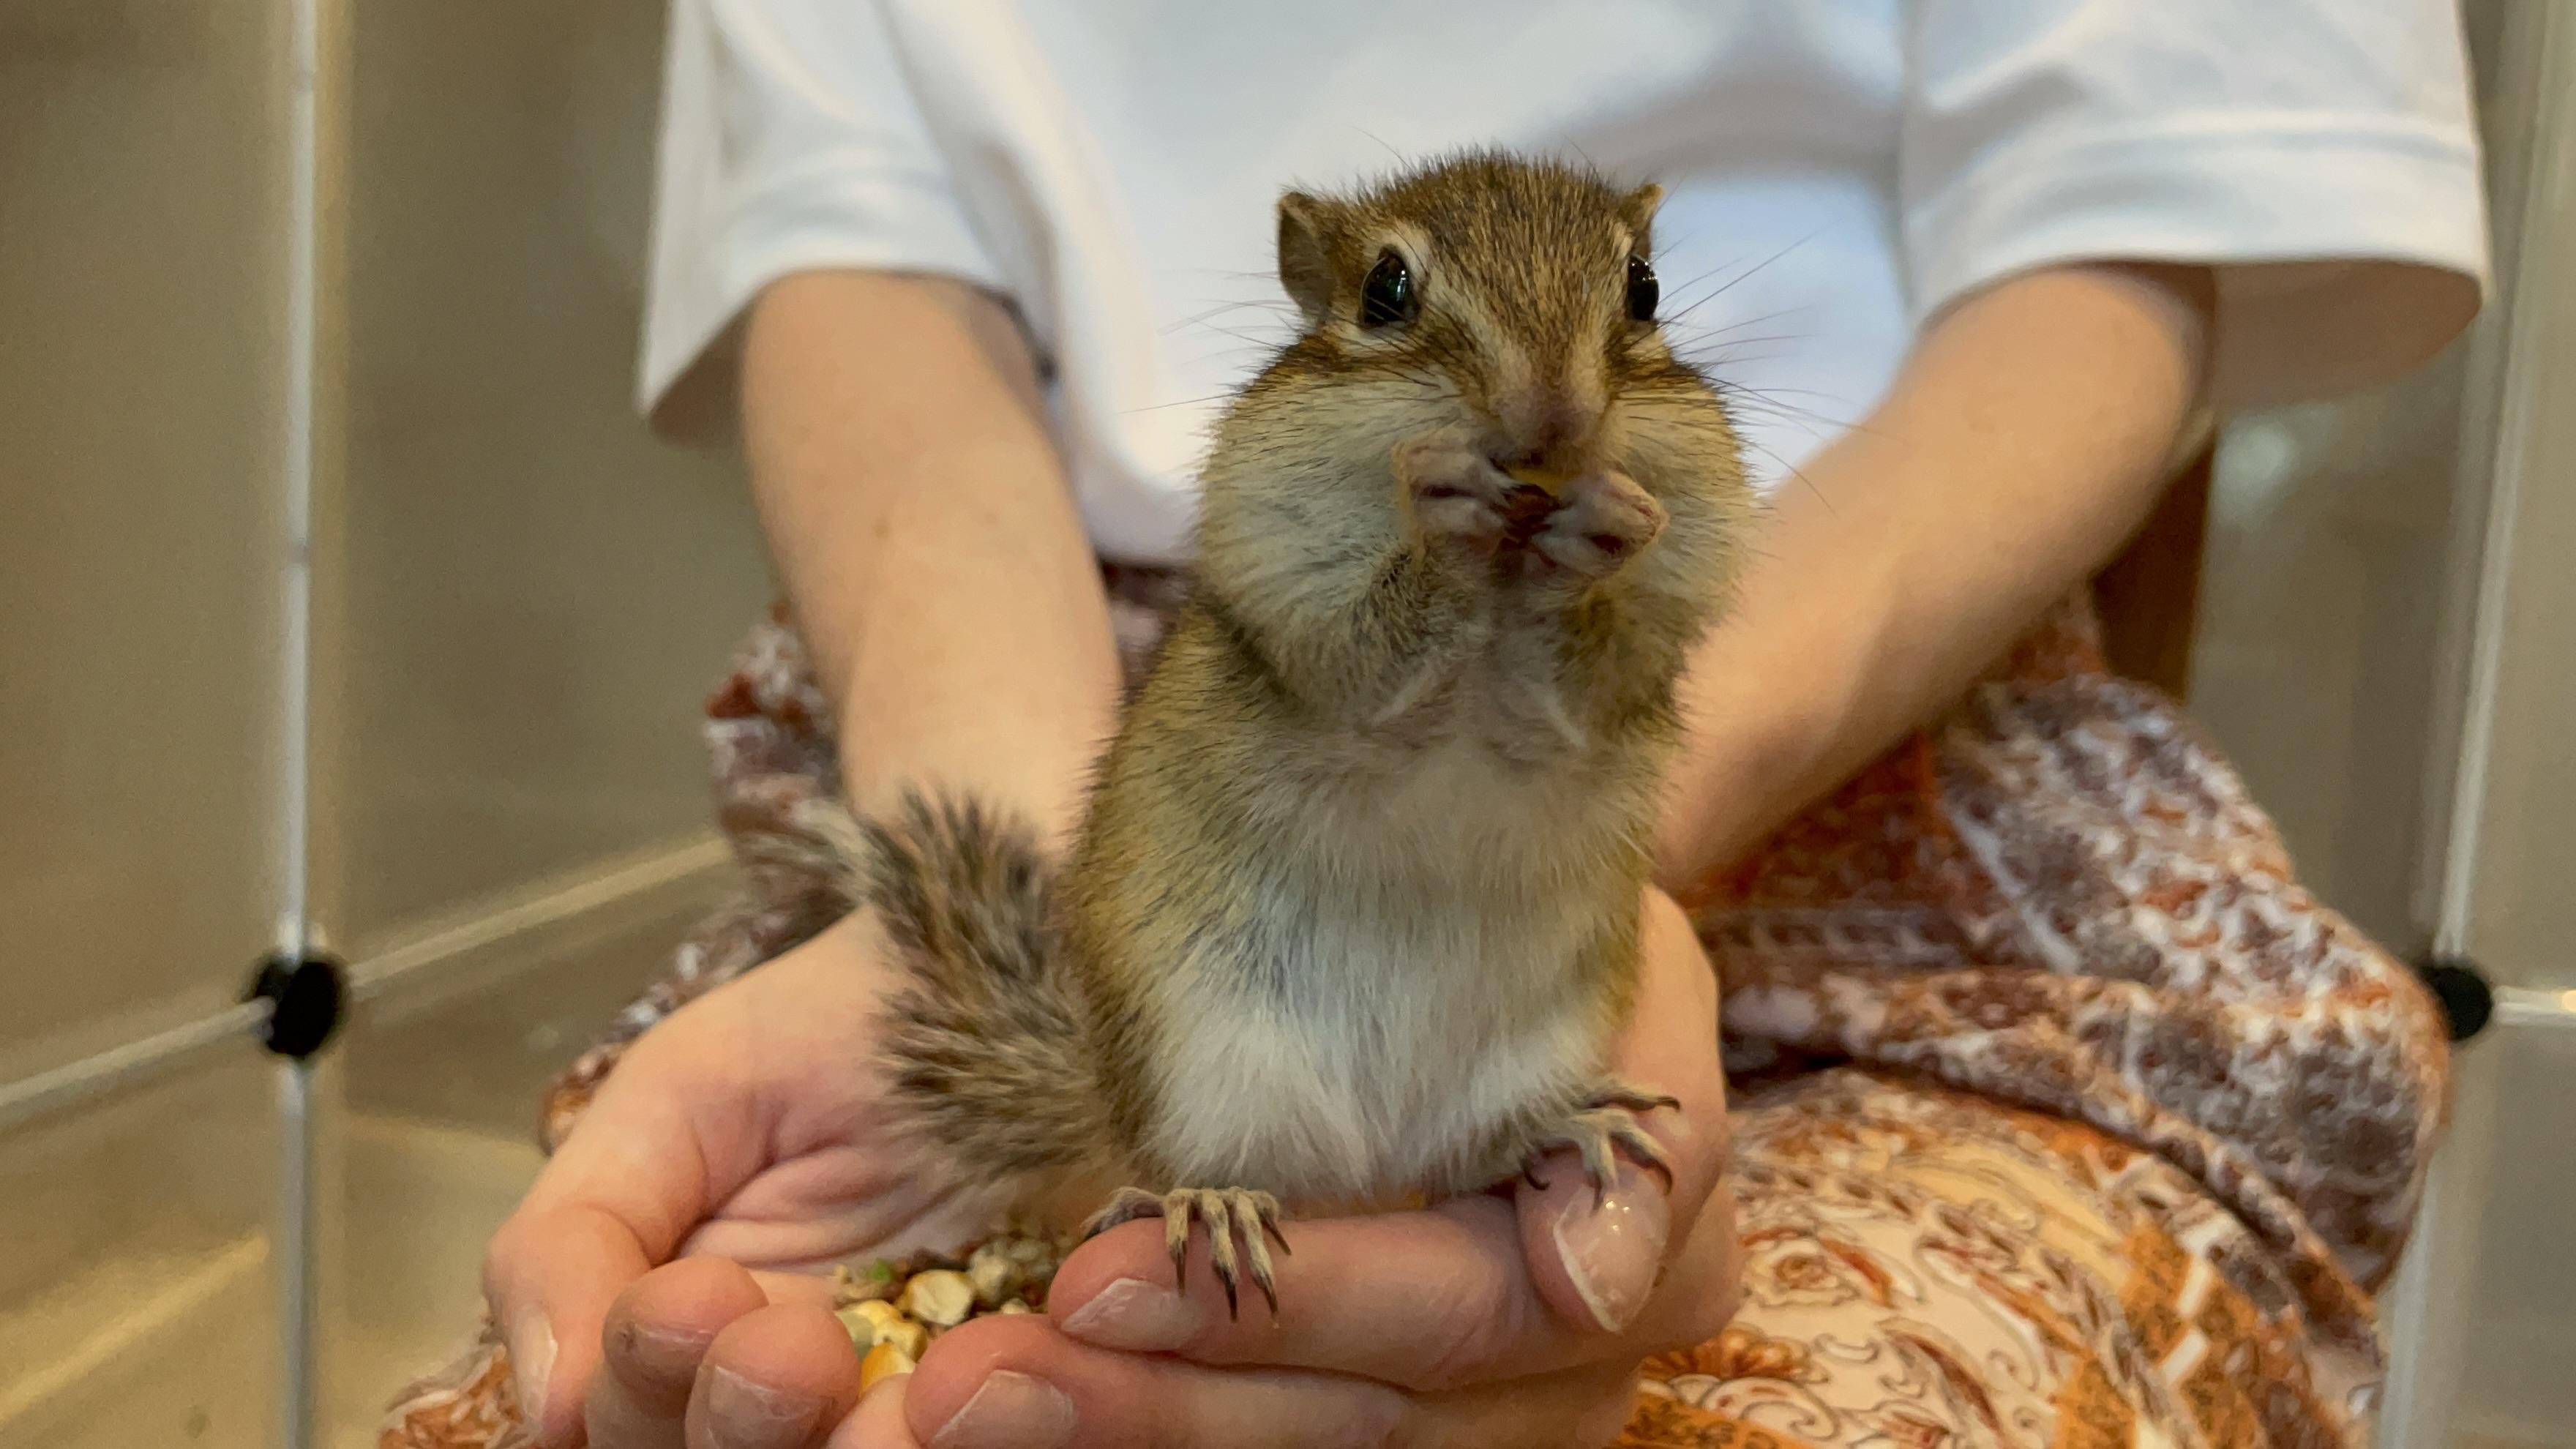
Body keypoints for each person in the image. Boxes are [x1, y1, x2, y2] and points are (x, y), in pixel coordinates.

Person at [391, 4, 2487, 1447]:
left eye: (1615, 331)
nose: (1538, 394)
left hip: (1866, 756)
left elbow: (2129, 227)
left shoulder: (1661, 486)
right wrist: (1062, 865)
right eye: (1409, 329)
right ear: (1324, 313)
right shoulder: (1298, 492)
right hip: (1077, 735)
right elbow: (865, 269)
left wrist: (1595, 821)